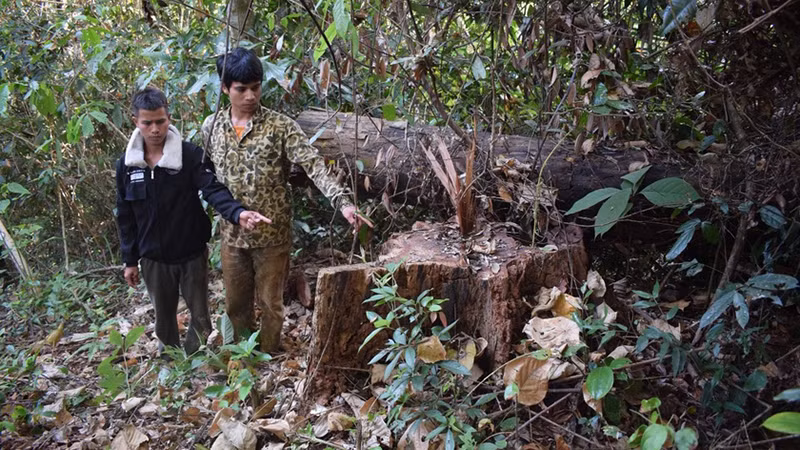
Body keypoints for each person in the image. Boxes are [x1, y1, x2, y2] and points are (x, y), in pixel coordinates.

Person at [202, 47, 370, 353]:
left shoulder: (280, 126)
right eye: (241, 89)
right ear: (225, 88)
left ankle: (268, 353)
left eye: (256, 87)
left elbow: (314, 166)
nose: (251, 96)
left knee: (271, 304)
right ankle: (244, 359)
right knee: (236, 305)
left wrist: (343, 203)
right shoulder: (211, 127)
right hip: (232, 234)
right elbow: (207, 176)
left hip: (273, 234)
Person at [116, 86, 270, 355]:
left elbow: (212, 188)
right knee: (163, 318)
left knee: (200, 315)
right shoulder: (127, 166)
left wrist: (237, 213)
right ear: (135, 122)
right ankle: (171, 360)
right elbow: (125, 214)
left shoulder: (189, 155)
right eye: (147, 123)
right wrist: (130, 260)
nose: (155, 129)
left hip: (191, 254)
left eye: (160, 121)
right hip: (153, 257)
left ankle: (198, 359)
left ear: (169, 118)